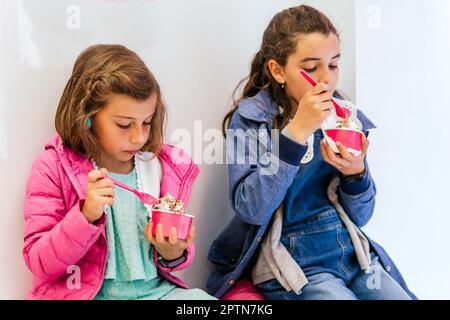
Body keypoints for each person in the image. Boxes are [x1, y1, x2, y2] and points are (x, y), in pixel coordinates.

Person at [207, 5, 416, 300]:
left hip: (352, 254)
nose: (326, 78)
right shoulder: (253, 118)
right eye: (311, 67)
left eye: (333, 65)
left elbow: (362, 215)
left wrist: (356, 174)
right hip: (292, 261)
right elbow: (251, 208)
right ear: (278, 70)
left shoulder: (346, 116)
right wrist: (295, 134)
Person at [23, 44, 215, 300]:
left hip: (156, 292)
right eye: (124, 125)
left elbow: (172, 261)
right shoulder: (53, 167)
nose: (138, 137)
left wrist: (173, 251)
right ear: (88, 116)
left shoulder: (158, 168)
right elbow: (40, 262)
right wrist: (85, 217)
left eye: (146, 122)